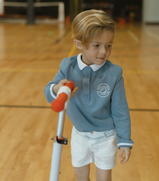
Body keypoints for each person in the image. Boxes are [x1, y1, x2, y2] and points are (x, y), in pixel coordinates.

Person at [44, 9, 134, 181]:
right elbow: (49, 93)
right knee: (80, 175)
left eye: (109, 45)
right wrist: (57, 89)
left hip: (106, 135)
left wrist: (124, 141)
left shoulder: (114, 73)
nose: (104, 52)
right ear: (79, 44)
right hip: (80, 133)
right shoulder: (67, 67)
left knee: (104, 176)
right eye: (97, 45)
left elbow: (121, 111)